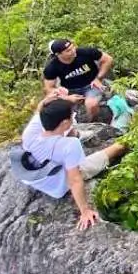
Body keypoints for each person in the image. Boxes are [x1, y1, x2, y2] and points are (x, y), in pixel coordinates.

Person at [17, 95, 128, 230]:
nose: (73, 117)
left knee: (69, 138)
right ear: (64, 123)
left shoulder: (31, 131)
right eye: (71, 116)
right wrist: (85, 210)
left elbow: (40, 108)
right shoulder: (69, 146)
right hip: (59, 185)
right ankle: (126, 143)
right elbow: (75, 180)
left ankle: (77, 134)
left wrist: (61, 101)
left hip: (37, 178)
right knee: (117, 148)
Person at [42, 39, 114, 123]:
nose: (73, 51)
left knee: (91, 104)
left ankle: (93, 124)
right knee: (56, 110)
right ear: (58, 54)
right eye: (68, 51)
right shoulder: (52, 67)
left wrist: (99, 78)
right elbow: (49, 88)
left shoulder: (85, 53)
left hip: (91, 84)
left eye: (73, 47)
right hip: (70, 90)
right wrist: (67, 98)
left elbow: (108, 59)